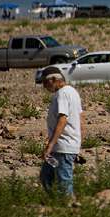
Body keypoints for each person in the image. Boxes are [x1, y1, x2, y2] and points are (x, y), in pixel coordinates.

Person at [39, 66, 82, 197]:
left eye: (45, 83)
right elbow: (80, 119)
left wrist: (50, 145)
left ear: (53, 79)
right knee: (46, 176)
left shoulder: (62, 94)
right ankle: (54, 201)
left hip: (63, 147)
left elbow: (63, 119)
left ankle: (69, 208)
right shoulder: (73, 92)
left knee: (64, 180)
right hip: (63, 147)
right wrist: (79, 144)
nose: (45, 87)